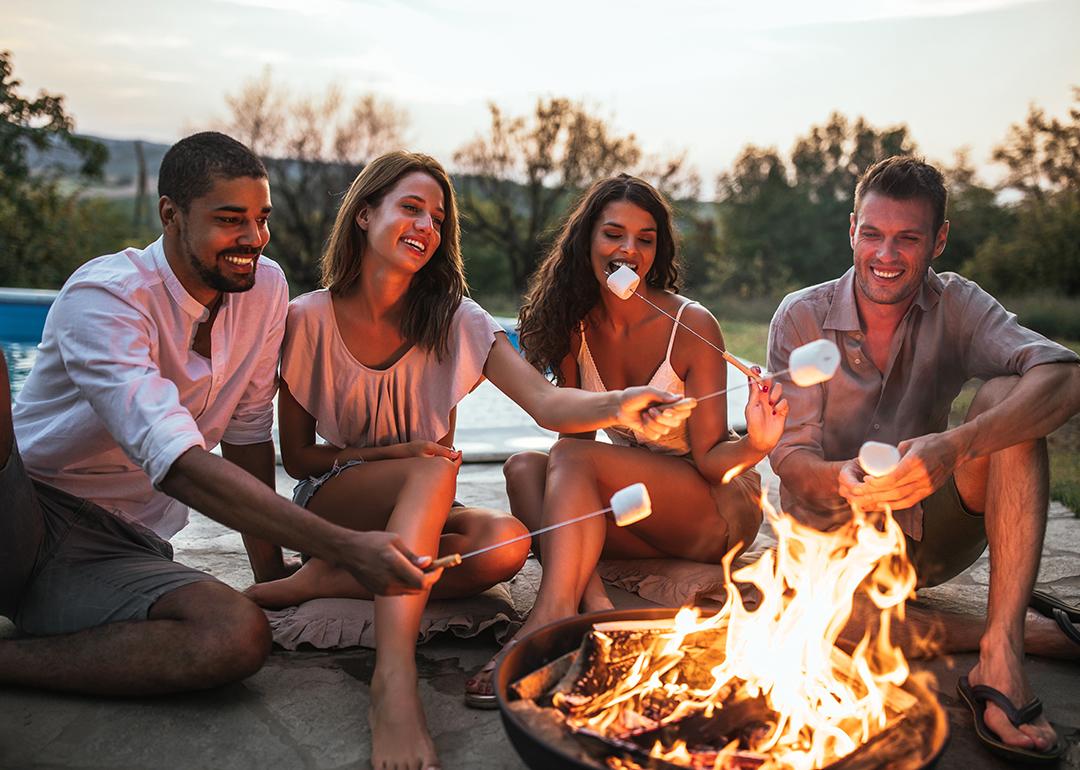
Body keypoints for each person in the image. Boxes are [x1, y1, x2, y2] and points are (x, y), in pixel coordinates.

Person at [240, 154, 695, 770]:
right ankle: (393, 684)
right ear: (364, 214)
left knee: (507, 545)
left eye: (437, 217)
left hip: (426, 503)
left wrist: (618, 403)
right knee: (435, 467)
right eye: (411, 208)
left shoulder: (457, 319)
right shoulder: (308, 318)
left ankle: (327, 579)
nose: (425, 226)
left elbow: (545, 403)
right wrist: (393, 454)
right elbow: (298, 458)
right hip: (338, 497)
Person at [0, 132, 439, 698]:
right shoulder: (108, 298)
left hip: (121, 546)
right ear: (171, 215)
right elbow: (176, 463)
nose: (253, 238)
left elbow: (248, 433)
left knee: (236, 634)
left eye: (262, 219)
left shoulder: (265, 289)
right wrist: (344, 546)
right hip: (25, 515)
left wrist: (271, 574)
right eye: (231, 220)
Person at [768, 155, 1080, 763]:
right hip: (830, 538)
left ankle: (999, 661)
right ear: (852, 230)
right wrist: (843, 478)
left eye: (907, 239)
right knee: (820, 620)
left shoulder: (957, 303)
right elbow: (791, 458)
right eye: (872, 234)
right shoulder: (801, 315)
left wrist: (956, 445)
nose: (885, 255)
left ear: (938, 240)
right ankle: (1033, 633)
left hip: (928, 529)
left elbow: (1066, 375)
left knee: (1008, 399)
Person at [464, 174, 788, 706]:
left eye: (645, 239)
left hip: (713, 510)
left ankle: (550, 614)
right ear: (587, 240)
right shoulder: (575, 327)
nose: (629, 250)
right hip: (641, 509)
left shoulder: (692, 325)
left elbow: (712, 461)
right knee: (524, 469)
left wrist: (758, 443)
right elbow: (573, 436)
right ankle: (592, 601)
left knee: (570, 460)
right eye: (614, 234)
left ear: (657, 251)